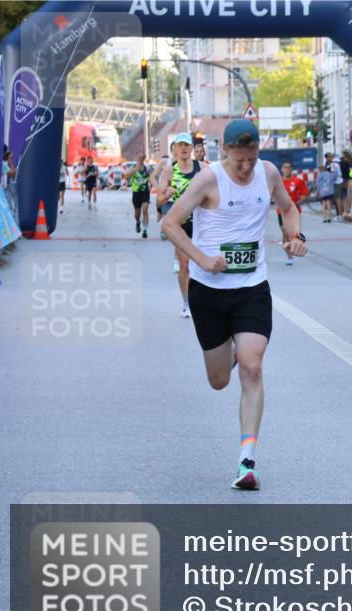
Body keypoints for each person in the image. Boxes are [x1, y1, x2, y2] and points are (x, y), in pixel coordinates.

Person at [161, 119, 307, 490]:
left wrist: (295, 235)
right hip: (208, 290)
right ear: (224, 151)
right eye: (239, 159)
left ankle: (246, 461)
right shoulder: (208, 179)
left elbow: (289, 209)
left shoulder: (268, 173)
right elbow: (171, 223)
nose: (246, 167)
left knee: (253, 368)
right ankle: (232, 350)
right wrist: (201, 259)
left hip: (251, 287)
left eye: (252, 158)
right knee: (219, 380)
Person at [157, 133, 204, 318]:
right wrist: (166, 195)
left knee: (200, 265)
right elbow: (159, 201)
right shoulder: (169, 171)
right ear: (175, 149)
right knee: (185, 265)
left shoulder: (202, 168)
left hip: (202, 224)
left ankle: (202, 299)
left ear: (191, 148)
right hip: (180, 224)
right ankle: (187, 303)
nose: (184, 148)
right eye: (180, 145)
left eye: (187, 145)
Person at [278, 161, 310, 265]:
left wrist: (296, 203)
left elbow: (305, 194)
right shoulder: (278, 182)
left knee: (292, 234)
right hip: (281, 211)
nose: (286, 169)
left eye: (288, 167)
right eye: (285, 167)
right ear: (282, 169)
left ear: (291, 169)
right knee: (285, 232)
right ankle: (289, 257)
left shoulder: (298, 181)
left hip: (294, 212)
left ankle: (291, 251)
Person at [129, 152, 154, 238]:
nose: (140, 159)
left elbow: (152, 178)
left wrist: (153, 184)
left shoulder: (147, 168)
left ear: (144, 158)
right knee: (137, 215)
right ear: (136, 158)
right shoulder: (132, 167)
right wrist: (133, 171)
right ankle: (138, 222)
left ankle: (145, 230)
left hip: (145, 193)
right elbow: (126, 177)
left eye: (142, 157)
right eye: (139, 157)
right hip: (136, 193)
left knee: (145, 210)